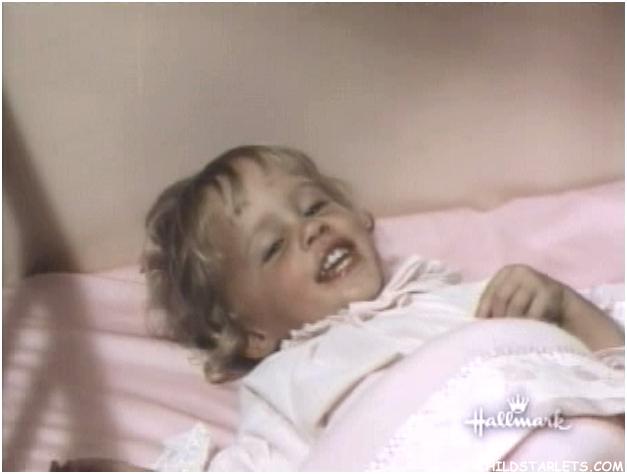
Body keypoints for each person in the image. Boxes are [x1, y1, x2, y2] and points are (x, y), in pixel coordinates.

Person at [51, 145, 624, 472]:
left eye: (314, 207)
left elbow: (611, 368)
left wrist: (563, 305)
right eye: (272, 247)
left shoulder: (451, 295)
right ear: (252, 333)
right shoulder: (286, 382)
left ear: (360, 220)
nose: (311, 229)